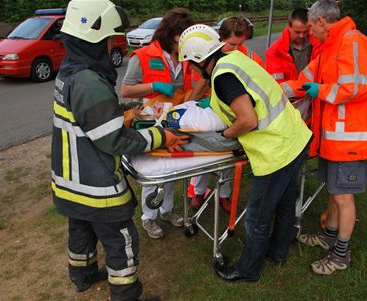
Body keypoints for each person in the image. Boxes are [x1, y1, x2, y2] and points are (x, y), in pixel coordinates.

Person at [51, 1, 188, 299]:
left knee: (81, 230)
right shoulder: (88, 81)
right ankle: (126, 294)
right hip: (94, 184)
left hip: (69, 179)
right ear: (94, 40)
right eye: (109, 39)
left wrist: (125, 109)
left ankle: (83, 275)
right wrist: (161, 137)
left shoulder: (71, 71)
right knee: (120, 240)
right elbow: (113, 140)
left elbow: (89, 116)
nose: (113, 45)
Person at [179, 24, 312, 282]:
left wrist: (224, 135)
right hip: (295, 136)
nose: (192, 71)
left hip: (276, 150)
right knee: (285, 204)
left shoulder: (223, 77)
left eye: (191, 65)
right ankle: (278, 253)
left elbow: (248, 120)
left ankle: (248, 269)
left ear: (199, 59)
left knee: (257, 216)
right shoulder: (235, 59)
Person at [281, 0, 367, 275]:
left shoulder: (354, 43)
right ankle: (329, 234)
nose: (308, 34)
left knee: (343, 196)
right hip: (335, 138)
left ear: (321, 21)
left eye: (310, 28)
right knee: (333, 189)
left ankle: (341, 255)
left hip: (352, 139)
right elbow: (304, 80)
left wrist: (321, 91)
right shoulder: (330, 48)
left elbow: (356, 86)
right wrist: (273, 90)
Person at [121, 8, 202, 239]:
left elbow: (190, 87)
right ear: (168, 35)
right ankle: (149, 217)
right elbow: (126, 89)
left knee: (173, 167)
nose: (181, 46)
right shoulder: (144, 55)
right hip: (150, 122)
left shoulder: (186, 58)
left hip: (176, 120)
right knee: (154, 168)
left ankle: (166, 210)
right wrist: (154, 87)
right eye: (178, 41)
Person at [190, 16, 264, 213]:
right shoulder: (212, 55)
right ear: (221, 39)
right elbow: (204, 81)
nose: (236, 49)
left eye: (241, 44)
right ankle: (198, 191)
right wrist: (191, 104)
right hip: (215, 112)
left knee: (228, 160)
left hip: (238, 115)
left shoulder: (249, 56)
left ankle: (224, 194)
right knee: (205, 156)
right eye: (232, 44)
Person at [265, 8, 322, 84]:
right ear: (289, 27)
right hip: (289, 95)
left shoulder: (319, 45)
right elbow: (276, 84)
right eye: (297, 32)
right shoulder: (274, 51)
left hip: (314, 94)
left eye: (305, 32)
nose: (301, 36)